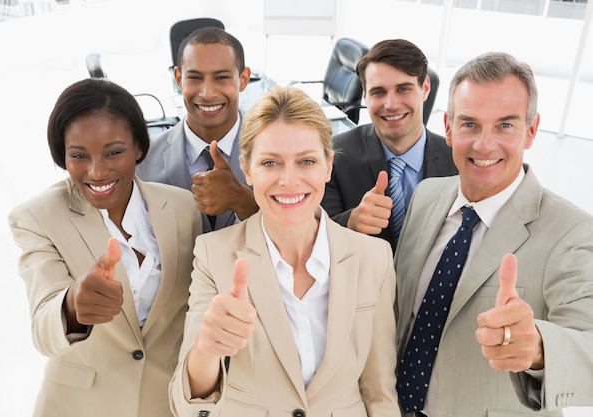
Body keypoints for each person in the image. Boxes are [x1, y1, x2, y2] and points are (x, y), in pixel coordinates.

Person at [169, 85, 401, 417]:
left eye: (306, 161)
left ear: (328, 165)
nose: (289, 181)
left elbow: (379, 392)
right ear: (247, 169)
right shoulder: (214, 254)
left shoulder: (374, 258)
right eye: (270, 163)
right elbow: (187, 402)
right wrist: (207, 348)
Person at [394, 51, 593, 417]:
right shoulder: (427, 195)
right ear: (449, 128)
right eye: (469, 124)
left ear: (531, 131)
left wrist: (538, 349)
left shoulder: (572, 231)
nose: (484, 145)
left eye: (505, 125)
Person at [8, 78, 202, 417]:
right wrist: (70, 307)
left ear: (139, 147)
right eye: (79, 156)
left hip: (166, 403)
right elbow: (42, 327)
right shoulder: (37, 217)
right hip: (79, 407)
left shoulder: (184, 207)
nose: (97, 172)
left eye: (114, 152)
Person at [322, 39, 457, 251]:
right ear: (365, 96)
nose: (391, 104)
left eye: (403, 89)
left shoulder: (457, 161)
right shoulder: (335, 156)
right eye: (378, 92)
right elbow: (310, 234)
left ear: (425, 89)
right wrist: (351, 221)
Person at [136, 26, 258, 232]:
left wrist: (244, 202)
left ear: (244, 79)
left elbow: (300, 234)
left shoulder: (278, 153)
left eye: (221, 78)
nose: (208, 93)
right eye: (195, 77)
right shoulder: (142, 161)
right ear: (178, 79)